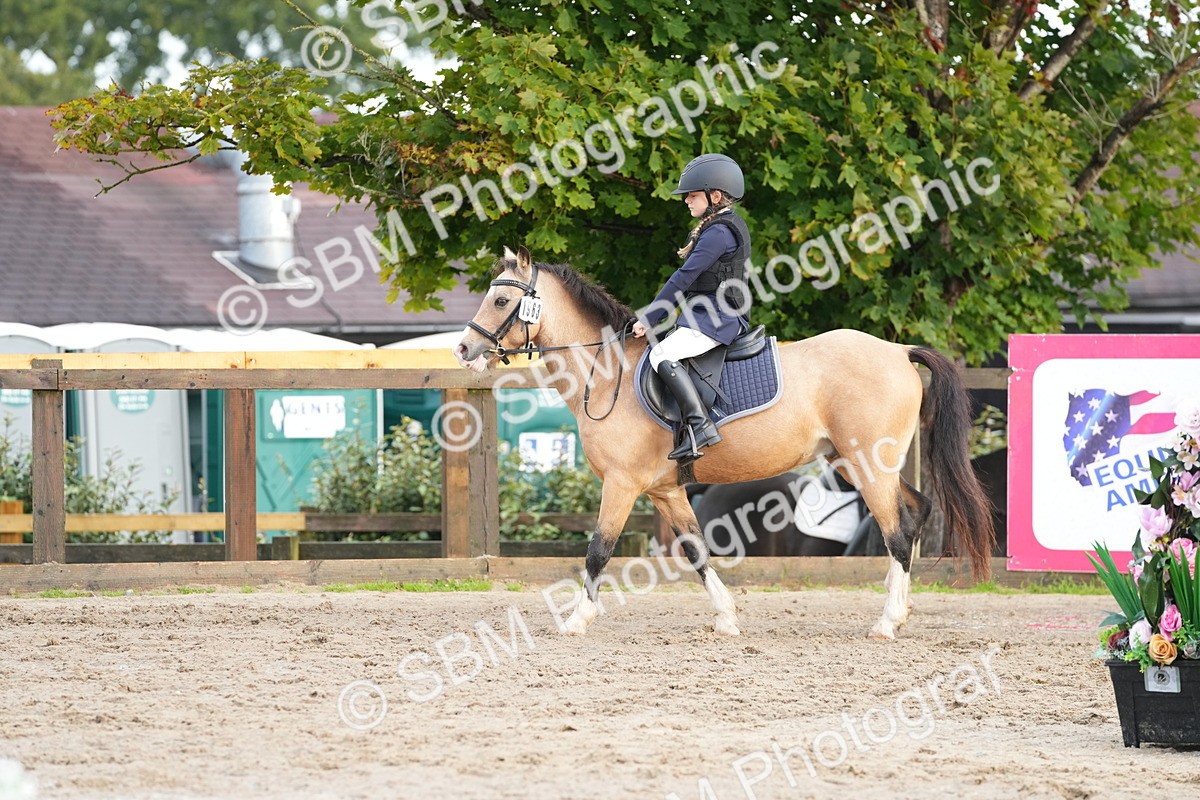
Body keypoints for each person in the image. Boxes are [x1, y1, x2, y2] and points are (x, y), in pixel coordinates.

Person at [632, 154, 752, 463]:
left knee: (662, 354)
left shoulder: (719, 233)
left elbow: (684, 278)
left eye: (693, 194)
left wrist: (651, 317)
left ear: (715, 196)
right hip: (708, 315)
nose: (687, 200)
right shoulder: (717, 227)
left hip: (719, 318)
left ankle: (701, 427)